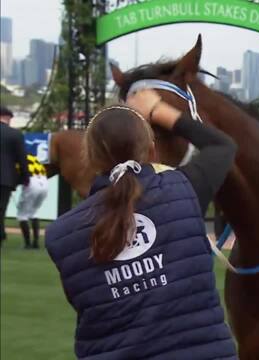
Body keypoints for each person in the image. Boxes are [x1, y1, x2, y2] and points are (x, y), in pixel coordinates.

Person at [45, 90, 238, 359]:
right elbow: (223, 146)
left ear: (89, 158)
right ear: (151, 150)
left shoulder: (60, 235)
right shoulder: (183, 189)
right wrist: (160, 110)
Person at [1, 106, 30, 246]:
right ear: (8, 118)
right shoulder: (15, 135)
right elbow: (22, 160)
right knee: (1, 209)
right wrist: (26, 178)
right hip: (5, 179)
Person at [16, 154, 49, 249]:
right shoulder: (32, 157)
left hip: (32, 182)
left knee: (22, 215)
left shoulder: (18, 157)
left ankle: (27, 244)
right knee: (34, 213)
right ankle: (36, 243)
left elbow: (17, 173)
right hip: (44, 182)